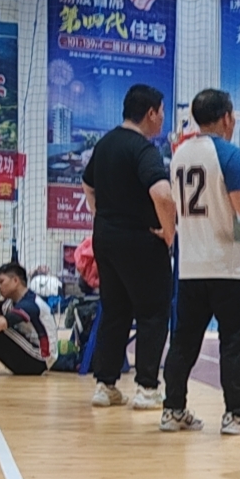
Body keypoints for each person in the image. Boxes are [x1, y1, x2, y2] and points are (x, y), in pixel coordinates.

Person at [161, 88, 240, 436]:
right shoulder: (229, 154)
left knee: (183, 342)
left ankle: (172, 409)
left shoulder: (179, 154)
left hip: (190, 267)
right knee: (234, 341)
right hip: (228, 266)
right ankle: (234, 416)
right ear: (228, 117)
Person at [82, 82, 176, 409]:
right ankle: (147, 389)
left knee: (114, 311)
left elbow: (87, 184)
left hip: (105, 239)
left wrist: (103, 216)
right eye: (161, 112)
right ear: (150, 113)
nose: (162, 118)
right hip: (140, 240)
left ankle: (105, 385)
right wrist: (169, 233)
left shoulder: (104, 143)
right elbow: (163, 194)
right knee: (153, 313)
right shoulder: (144, 150)